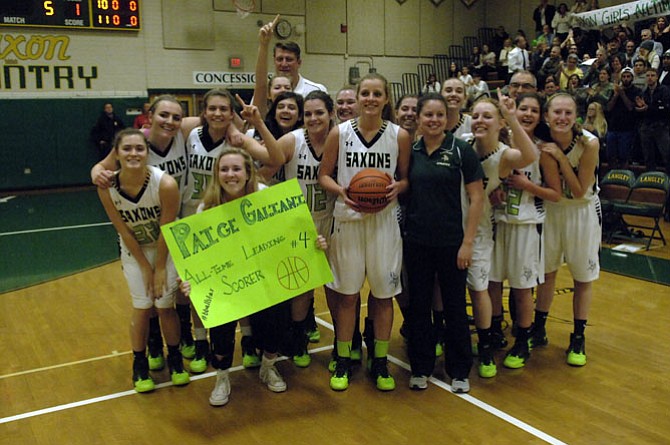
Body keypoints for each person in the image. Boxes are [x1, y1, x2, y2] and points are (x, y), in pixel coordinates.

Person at [180, 147, 327, 406]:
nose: (230, 174)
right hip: (229, 280)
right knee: (222, 328)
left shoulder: (265, 197)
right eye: (224, 169)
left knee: (275, 325)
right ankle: (222, 376)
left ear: (248, 173)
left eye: (236, 168)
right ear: (217, 174)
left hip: (264, 276)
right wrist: (191, 279)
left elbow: (290, 231)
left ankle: (268, 366)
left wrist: (312, 243)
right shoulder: (207, 207)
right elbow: (198, 257)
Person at [318, 73, 410, 392]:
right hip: (348, 220)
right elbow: (324, 175)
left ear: (386, 99)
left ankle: (380, 361)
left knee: (384, 296)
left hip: (384, 222)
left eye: (377, 94)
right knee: (347, 295)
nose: (370, 99)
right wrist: (342, 191)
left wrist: (400, 185)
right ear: (357, 98)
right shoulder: (339, 133)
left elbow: (406, 179)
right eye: (365, 93)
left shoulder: (399, 135)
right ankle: (344, 357)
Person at [181, 89, 285, 372]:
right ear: (203, 112)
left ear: (231, 114)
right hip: (201, 214)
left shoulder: (239, 141)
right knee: (206, 290)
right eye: (211, 108)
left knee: (247, 285)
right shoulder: (190, 135)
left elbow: (275, 159)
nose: (217, 114)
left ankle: (251, 342)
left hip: (237, 212)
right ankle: (204, 345)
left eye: (223, 109)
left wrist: (256, 122)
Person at [97, 128, 190, 393]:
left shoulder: (165, 184)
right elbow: (123, 231)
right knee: (142, 306)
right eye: (127, 148)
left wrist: (159, 267)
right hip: (134, 251)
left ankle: (175, 359)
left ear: (148, 153)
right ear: (116, 154)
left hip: (166, 248)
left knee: (164, 306)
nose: (133, 153)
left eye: (139, 148)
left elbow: (166, 229)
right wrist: (145, 267)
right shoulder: (107, 188)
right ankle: (140, 364)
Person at [403, 93, 484, 392]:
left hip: (452, 243)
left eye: (439, 115)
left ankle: (460, 370)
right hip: (417, 241)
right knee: (419, 307)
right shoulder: (411, 150)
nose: (434, 120)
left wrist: (468, 242)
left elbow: (477, 198)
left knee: (454, 308)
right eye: (428, 115)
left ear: (447, 119)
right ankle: (420, 367)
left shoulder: (462, 150)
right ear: (419, 118)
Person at [258, 90, 337, 369]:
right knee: (297, 287)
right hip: (296, 225)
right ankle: (295, 338)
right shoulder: (292, 140)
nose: (314, 118)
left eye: (319, 112)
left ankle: (338, 342)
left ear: (331, 113)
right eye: (308, 114)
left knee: (334, 285)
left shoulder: (340, 139)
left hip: (332, 221)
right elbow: (261, 175)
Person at [466, 95, 537, 378]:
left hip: (480, 231)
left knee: (479, 288)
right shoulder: (463, 145)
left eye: (487, 116)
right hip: (451, 228)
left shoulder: (504, 155)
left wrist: (512, 116)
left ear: (500, 124)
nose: (480, 121)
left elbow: (530, 155)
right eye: (476, 115)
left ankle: (488, 347)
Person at [489, 93, 561, 371]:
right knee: (492, 282)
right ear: (513, 111)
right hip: (499, 222)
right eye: (523, 109)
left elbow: (554, 194)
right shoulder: (500, 145)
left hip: (527, 226)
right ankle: (495, 330)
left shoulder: (543, 151)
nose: (528, 114)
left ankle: (523, 340)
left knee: (522, 287)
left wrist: (526, 185)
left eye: (533, 110)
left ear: (540, 116)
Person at [532, 93, 600, 367]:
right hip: (553, 210)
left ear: (576, 117)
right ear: (547, 116)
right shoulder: (541, 140)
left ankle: (579, 335)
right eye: (556, 112)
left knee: (583, 278)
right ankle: (538, 328)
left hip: (582, 212)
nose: (561, 118)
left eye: (568, 113)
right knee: (546, 273)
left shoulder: (589, 143)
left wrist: (560, 156)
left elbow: (578, 189)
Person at [252, 15, 293, 119]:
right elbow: (261, 84)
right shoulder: (263, 113)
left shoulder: (300, 116)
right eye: (277, 87)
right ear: (268, 95)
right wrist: (264, 44)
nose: (283, 90)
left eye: (287, 87)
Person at [634, 67, 670, 173]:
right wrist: (640, 109)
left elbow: (666, 108)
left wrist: (648, 108)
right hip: (647, 126)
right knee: (648, 156)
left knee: (666, 154)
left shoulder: (664, 90)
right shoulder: (644, 92)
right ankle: (651, 176)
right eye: (648, 76)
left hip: (661, 126)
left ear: (657, 77)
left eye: (652, 76)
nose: (650, 78)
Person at [606, 67, 640, 169]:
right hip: (613, 127)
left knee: (624, 155)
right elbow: (608, 108)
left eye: (628, 76)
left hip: (627, 128)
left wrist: (622, 94)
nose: (625, 79)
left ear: (632, 78)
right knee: (610, 155)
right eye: (624, 76)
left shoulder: (636, 91)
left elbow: (631, 107)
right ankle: (612, 175)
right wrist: (616, 95)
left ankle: (623, 176)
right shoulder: (615, 90)